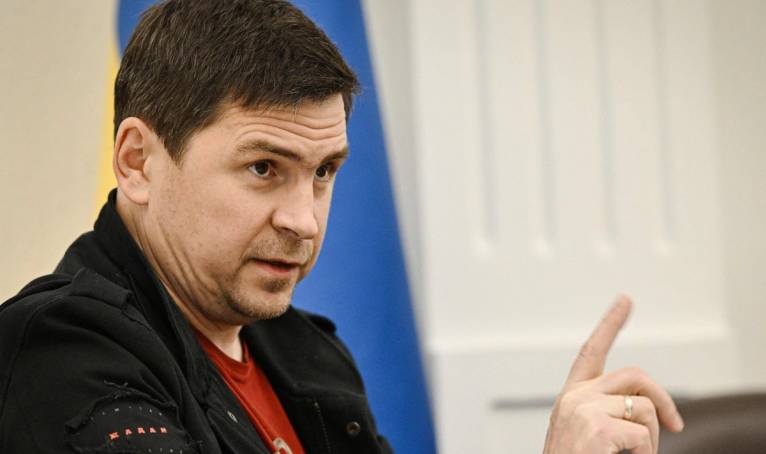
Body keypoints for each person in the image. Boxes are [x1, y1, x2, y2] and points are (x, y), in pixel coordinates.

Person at [0, 0, 684, 453]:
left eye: (324, 171)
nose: (304, 221)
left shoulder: (305, 351)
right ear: (137, 161)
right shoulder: (59, 351)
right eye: (264, 168)